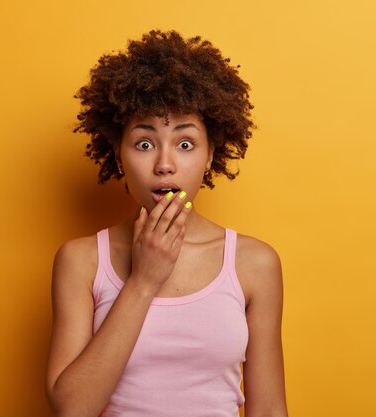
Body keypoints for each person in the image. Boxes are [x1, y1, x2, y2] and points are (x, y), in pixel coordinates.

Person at [46, 30, 288, 417]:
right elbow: (71, 409)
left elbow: (270, 409)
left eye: (186, 143)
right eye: (144, 143)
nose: (164, 164)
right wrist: (143, 281)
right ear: (119, 155)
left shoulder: (254, 263)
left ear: (211, 155)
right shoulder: (82, 261)